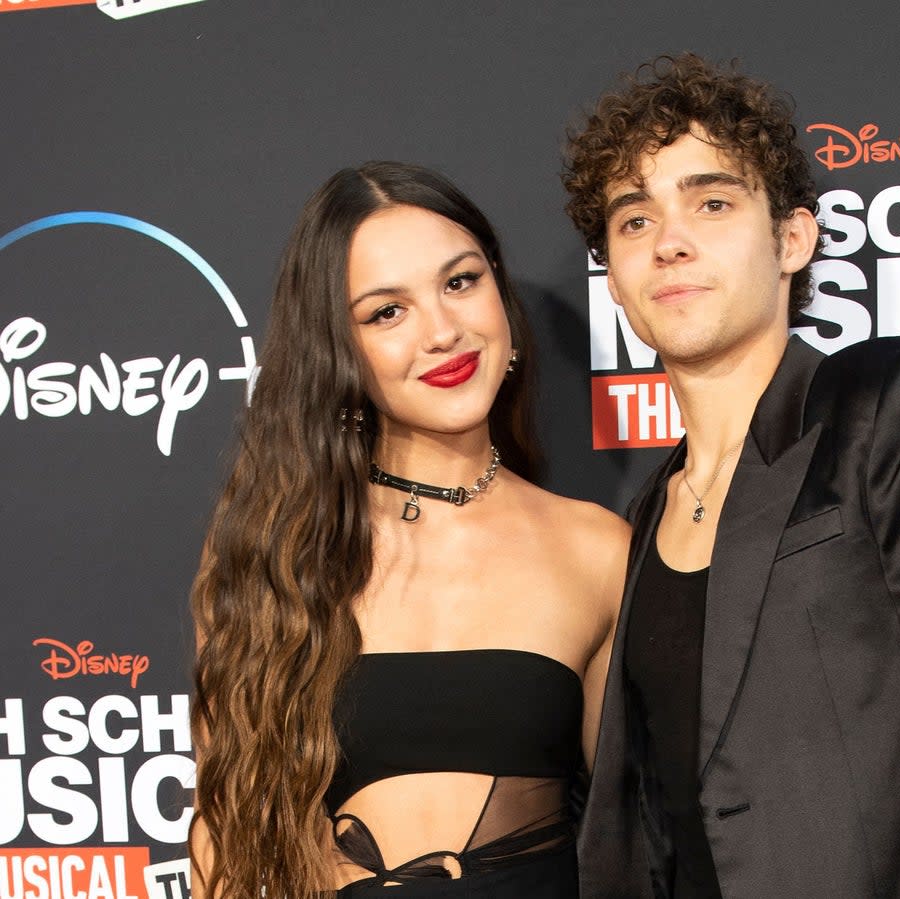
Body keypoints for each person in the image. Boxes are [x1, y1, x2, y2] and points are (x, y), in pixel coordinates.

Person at [562, 53, 900, 898]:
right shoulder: (646, 517)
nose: (670, 240)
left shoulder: (893, 405)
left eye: (712, 202)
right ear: (614, 277)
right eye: (635, 220)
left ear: (792, 239)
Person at [188, 162, 628, 898]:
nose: (443, 331)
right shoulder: (276, 547)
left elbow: (632, 836)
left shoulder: (594, 548)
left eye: (460, 282)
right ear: (340, 349)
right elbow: (224, 835)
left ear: (500, 293)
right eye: (386, 312)